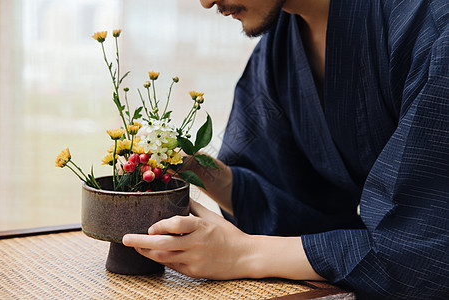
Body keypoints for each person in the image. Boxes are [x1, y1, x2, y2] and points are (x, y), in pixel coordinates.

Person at [123, 0, 449, 298]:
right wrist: (199, 168)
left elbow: (421, 247)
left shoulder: (431, 23)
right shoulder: (281, 43)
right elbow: (307, 217)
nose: (206, 2)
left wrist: (243, 253)